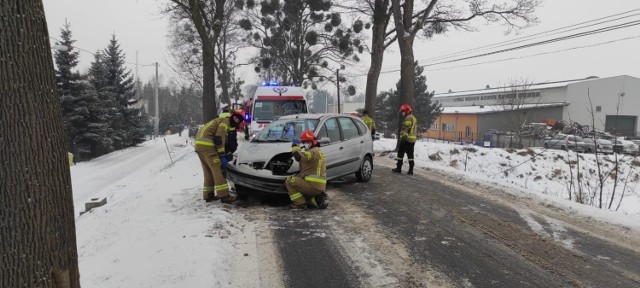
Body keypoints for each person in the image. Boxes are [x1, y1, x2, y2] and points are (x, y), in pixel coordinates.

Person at [195, 112, 245, 203]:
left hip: (199, 146)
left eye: (238, 121)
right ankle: (224, 195)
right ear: (232, 117)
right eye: (236, 119)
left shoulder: (219, 120)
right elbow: (219, 137)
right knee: (219, 171)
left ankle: (208, 195)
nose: (236, 121)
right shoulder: (225, 122)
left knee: (209, 171)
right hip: (208, 146)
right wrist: (222, 154)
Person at [286, 130, 328, 209]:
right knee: (305, 194)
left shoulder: (312, 152)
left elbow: (299, 157)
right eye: (303, 142)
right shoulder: (318, 151)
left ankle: (299, 204)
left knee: (289, 180)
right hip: (320, 186)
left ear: (312, 142)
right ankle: (316, 199)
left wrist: (295, 146)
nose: (305, 144)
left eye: (307, 141)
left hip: (312, 184)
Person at [392, 104, 417, 175]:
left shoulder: (408, 118)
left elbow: (407, 128)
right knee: (410, 155)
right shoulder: (414, 118)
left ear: (407, 111)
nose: (402, 113)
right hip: (412, 140)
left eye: (403, 111)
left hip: (406, 140)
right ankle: (411, 170)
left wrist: (402, 138)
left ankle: (398, 168)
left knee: (400, 154)